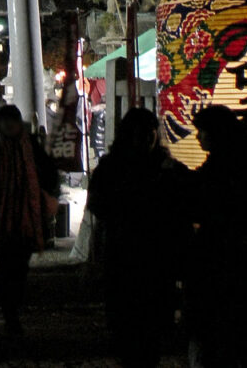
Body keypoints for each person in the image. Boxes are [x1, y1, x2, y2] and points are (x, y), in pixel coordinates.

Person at [86, 108, 191, 366]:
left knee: (150, 332)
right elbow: (99, 205)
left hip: (156, 259)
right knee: (129, 329)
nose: (145, 139)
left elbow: (186, 204)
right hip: (125, 256)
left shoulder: (168, 168)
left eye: (150, 133)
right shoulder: (112, 168)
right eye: (139, 134)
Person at [187, 105, 247, 368]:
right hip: (234, 265)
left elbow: (203, 202)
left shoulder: (227, 167)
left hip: (225, 265)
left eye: (202, 131)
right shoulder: (241, 161)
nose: (198, 138)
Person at [0, 105, 59, 337]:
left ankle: (13, 306)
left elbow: (48, 173)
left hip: (28, 215)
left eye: (13, 121)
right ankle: (10, 312)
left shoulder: (32, 147)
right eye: (6, 122)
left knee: (20, 267)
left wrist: (51, 196)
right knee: (8, 265)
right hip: (3, 216)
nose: (10, 126)